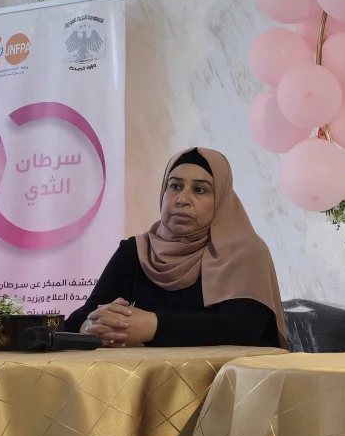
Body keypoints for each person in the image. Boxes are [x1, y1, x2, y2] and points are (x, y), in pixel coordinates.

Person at [65, 147, 286, 349]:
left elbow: (244, 328)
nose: (182, 199)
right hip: (139, 377)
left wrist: (154, 326)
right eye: (175, 186)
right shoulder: (137, 251)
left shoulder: (244, 253)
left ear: (221, 200)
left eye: (199, 190)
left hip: (220, 378)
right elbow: (84, 314)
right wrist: (91, 327)